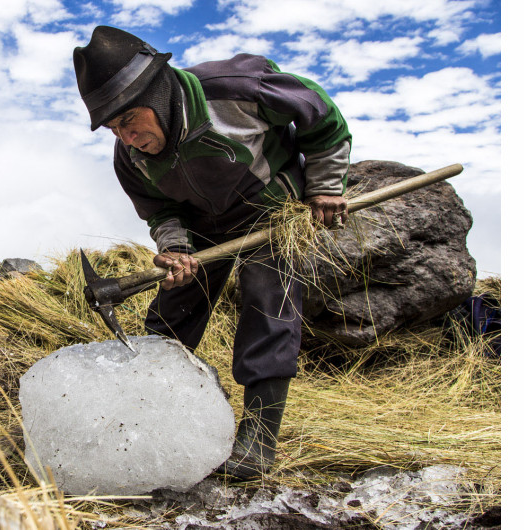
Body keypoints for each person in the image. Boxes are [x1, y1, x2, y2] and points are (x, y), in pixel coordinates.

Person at [72, 26, 351, 479]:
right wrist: (176, 249)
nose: (126, 138)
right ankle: (154, 421)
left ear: (158, 93)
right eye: (113, 129)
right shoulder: (131, 158)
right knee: (168, 318)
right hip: (203, 224)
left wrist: (322, 188)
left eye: (129, 122)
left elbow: (323, 118)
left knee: (269, 306)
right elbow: (160, 211)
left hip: (272, 211)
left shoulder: (239, 91)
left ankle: (258, 441)